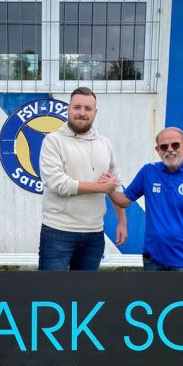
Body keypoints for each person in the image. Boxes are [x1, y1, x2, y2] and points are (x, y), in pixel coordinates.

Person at [38, 87, 127, 270]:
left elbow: (115, 185)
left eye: (88, 108)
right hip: (58, 231)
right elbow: (58, 184)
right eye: (77, 107)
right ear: (68, 109)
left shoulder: (105, 144)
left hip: (94, 234)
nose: (82, 113)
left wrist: (122, 222)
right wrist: (100, 188)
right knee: (50, 287)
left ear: (95, 112)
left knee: (86, 289)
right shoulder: (53, 141)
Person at [106, 127, 183, 272]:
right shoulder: (148, 172)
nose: (170, 150)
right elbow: (123, 201)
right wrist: (108, 188)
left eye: (175, 145)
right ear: (158, 150)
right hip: (153, 260)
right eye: (164, 147)